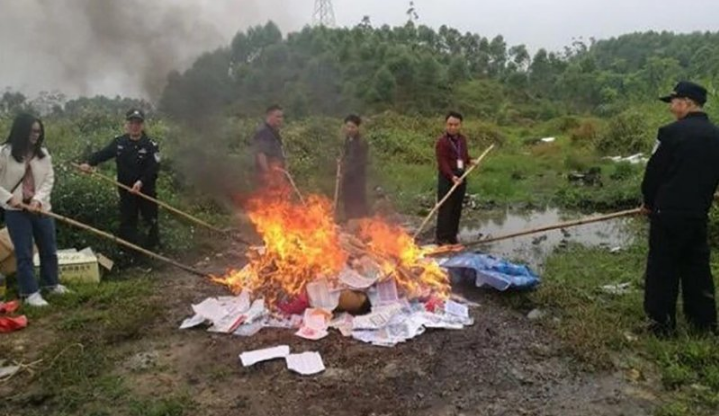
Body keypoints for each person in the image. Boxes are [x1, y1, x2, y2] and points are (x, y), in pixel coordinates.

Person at [641, 81, 719, 336]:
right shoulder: (715, 135)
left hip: (667, 214)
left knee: (663, 267)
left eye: (673, 102)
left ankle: (661, 324)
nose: (671, 107)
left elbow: (653, 173)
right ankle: (704, 324)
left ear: (686, 103)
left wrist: (648, 203)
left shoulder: (669, 133)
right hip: (698, 213)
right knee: (696, 266)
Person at [0, 113, 68, 307]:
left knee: (49, 248)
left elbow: (49, 180)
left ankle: (51, 284)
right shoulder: (4, 153)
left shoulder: (43, 155)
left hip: (41, 210)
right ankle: (30, 292)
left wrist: (38, 200)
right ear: (21, 131)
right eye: (31, 131)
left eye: (38, 131)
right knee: (24, 252)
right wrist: (9, 198)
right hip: (16, 211)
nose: (35, 135)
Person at [79, 109, 161, 255]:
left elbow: (153, 168)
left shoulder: (150, 145)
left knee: (151, 221)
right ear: (126, 124)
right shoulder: (119, 142)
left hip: (145, 191)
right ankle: (129, 255)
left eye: (138, 123)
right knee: (127, 223)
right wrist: (89, 163)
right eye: (131, 123)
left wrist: (140, 182)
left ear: (142, 125)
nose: (134, 126)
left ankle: (153, 254)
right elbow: (103, 154)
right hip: (126, 191)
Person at [435, 111, 472, 245]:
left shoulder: (462, 140)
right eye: (450, 124)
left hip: (461, 176)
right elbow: (442, 162)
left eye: (456, 125)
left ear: (460, 125)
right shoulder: (442, 142)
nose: (452, 127)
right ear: (446, 125)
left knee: (457, 207)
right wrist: (452, 176)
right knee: (446, 208)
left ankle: (452, 236)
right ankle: (442, 238)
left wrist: (470, 161)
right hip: (447, 178)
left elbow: (463, 156)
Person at [340, 114, 369, 220]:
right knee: (347, 200)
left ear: (358, 127)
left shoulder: (361, 142)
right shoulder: (348, 139)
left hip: (357, 179)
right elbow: (345, 155)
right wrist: (341, 162)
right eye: (348, 126)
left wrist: (347, 170)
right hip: (347, 177)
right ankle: (350, 221)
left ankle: (362, 225)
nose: (350, 129)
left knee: (357, 201)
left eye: (352, 127)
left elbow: (360, 162)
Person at [253, 104, 286, 186]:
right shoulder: (263, 132)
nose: (280, 119)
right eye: (277, 117)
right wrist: (267, 174)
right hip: (267, 178)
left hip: (277, 175)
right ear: (269, 116)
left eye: (281, 117)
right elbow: (261, 154)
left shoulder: (275, 133)